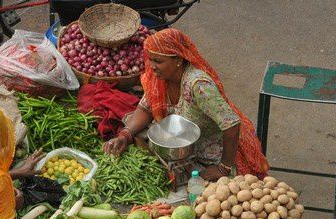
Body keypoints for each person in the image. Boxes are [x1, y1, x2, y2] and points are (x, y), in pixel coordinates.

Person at [103, 28, 269, 181]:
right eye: (150, 60)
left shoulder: (198, 85)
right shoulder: (160, 79)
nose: (152, 67)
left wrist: (223, 168)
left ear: (178, 59)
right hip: (184, 149)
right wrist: (125, 135)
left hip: (213, 156)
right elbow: (145, 108)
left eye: (158, 61)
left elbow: (231, 124)